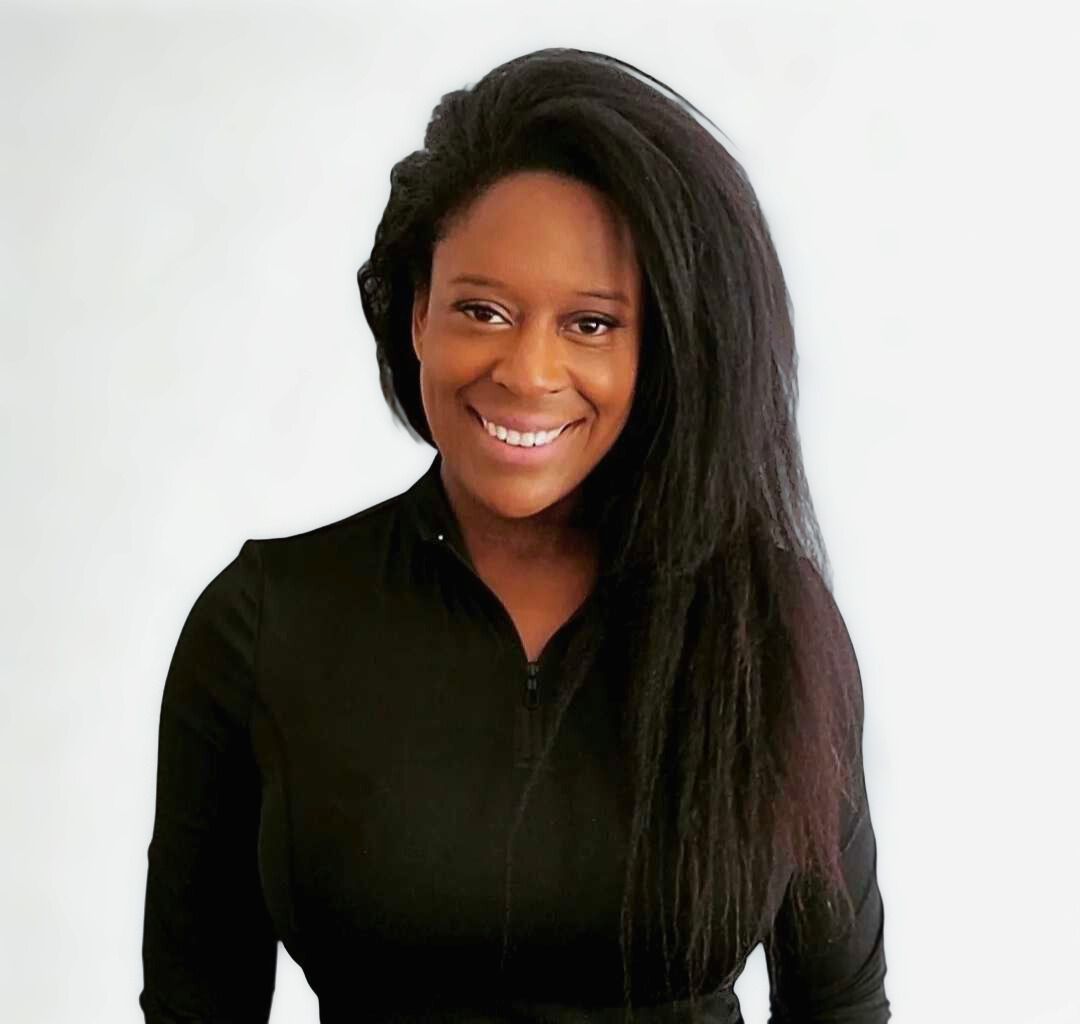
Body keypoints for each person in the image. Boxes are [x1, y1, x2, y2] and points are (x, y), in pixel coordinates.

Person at [139, 47, 890, 1024]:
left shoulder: (767, 621)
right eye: (482, 310)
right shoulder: (263, 625)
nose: (527, 371)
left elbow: (840, 1005)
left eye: (591, 323)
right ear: (416, 314)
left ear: (658, 348)